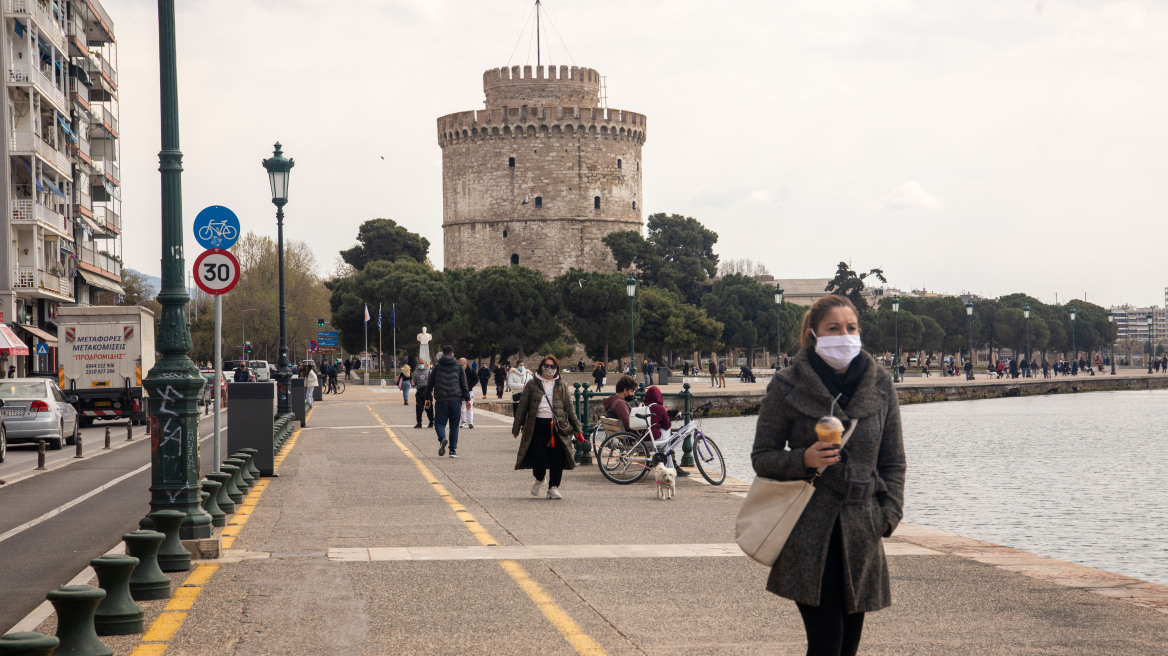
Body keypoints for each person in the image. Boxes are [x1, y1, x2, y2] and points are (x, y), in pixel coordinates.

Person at [751, 294, 906, 656]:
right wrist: (803, 458)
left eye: (851, 328)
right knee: (826, 643)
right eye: (833, 328)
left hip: (862, 530)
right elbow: (762, 457)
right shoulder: (787, 385)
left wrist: (888, 516)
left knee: (848, 646)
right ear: (813, 334)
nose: (844, 335)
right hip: (808, 530)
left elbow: (893, 461)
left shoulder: (880, 384)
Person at [512, 354, 581, 500]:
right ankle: (539, 477)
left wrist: (578, 428)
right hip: (537, 425)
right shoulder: (532, 384)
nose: (549, 369)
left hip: (556, 427)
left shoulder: (561, 385)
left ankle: (553, 487)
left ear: (557, 369)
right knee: (538, 456)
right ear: (541, 366)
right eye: (547, 366)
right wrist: (516, 428)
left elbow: (569, 407)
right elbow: (522, 407)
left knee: (557, 457)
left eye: (553, 366)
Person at [422, 346, 471, 458]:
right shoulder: (459, 366)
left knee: (439, 423)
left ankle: (443, 438)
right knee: (454, 425)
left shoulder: (437, 367)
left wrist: (427, 398)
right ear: (452, 354)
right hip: (455, 400)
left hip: (441, 400)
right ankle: (452, 451)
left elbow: (430, 384)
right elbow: (464, 385)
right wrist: (467, 399)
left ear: (442, 354)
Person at [643, 385, 688, 477]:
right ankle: (672, 467)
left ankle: (670, 466)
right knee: (667, 433)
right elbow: (667, 425)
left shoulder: (640, 406)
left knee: (665, 441)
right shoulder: (659, 408)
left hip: (640, 441)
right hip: (653, 441)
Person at [411, 360, 433, 429]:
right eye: (420, 363)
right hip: (419, 391)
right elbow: (414, 385)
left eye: (422, 363)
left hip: (427, 391)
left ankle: (431, 421)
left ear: (425, 364)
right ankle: (419, 423)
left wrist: (432, 390)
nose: (421, 365)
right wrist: (412, 384)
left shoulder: (429, 372)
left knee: (428, 407)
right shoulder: (415, 373)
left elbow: (433, 382)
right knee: (419, 408)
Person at [458, 357, 476, 429]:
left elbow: (475, 379)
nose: (459, 365)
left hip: (469, 391)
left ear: (465, 364)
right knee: (462, 408)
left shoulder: (471, 370)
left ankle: (470, 422)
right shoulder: (458, 371)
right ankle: (463, 421)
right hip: (461, 391)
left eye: (460, 364)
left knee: (469, 407)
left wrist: (470, 386)